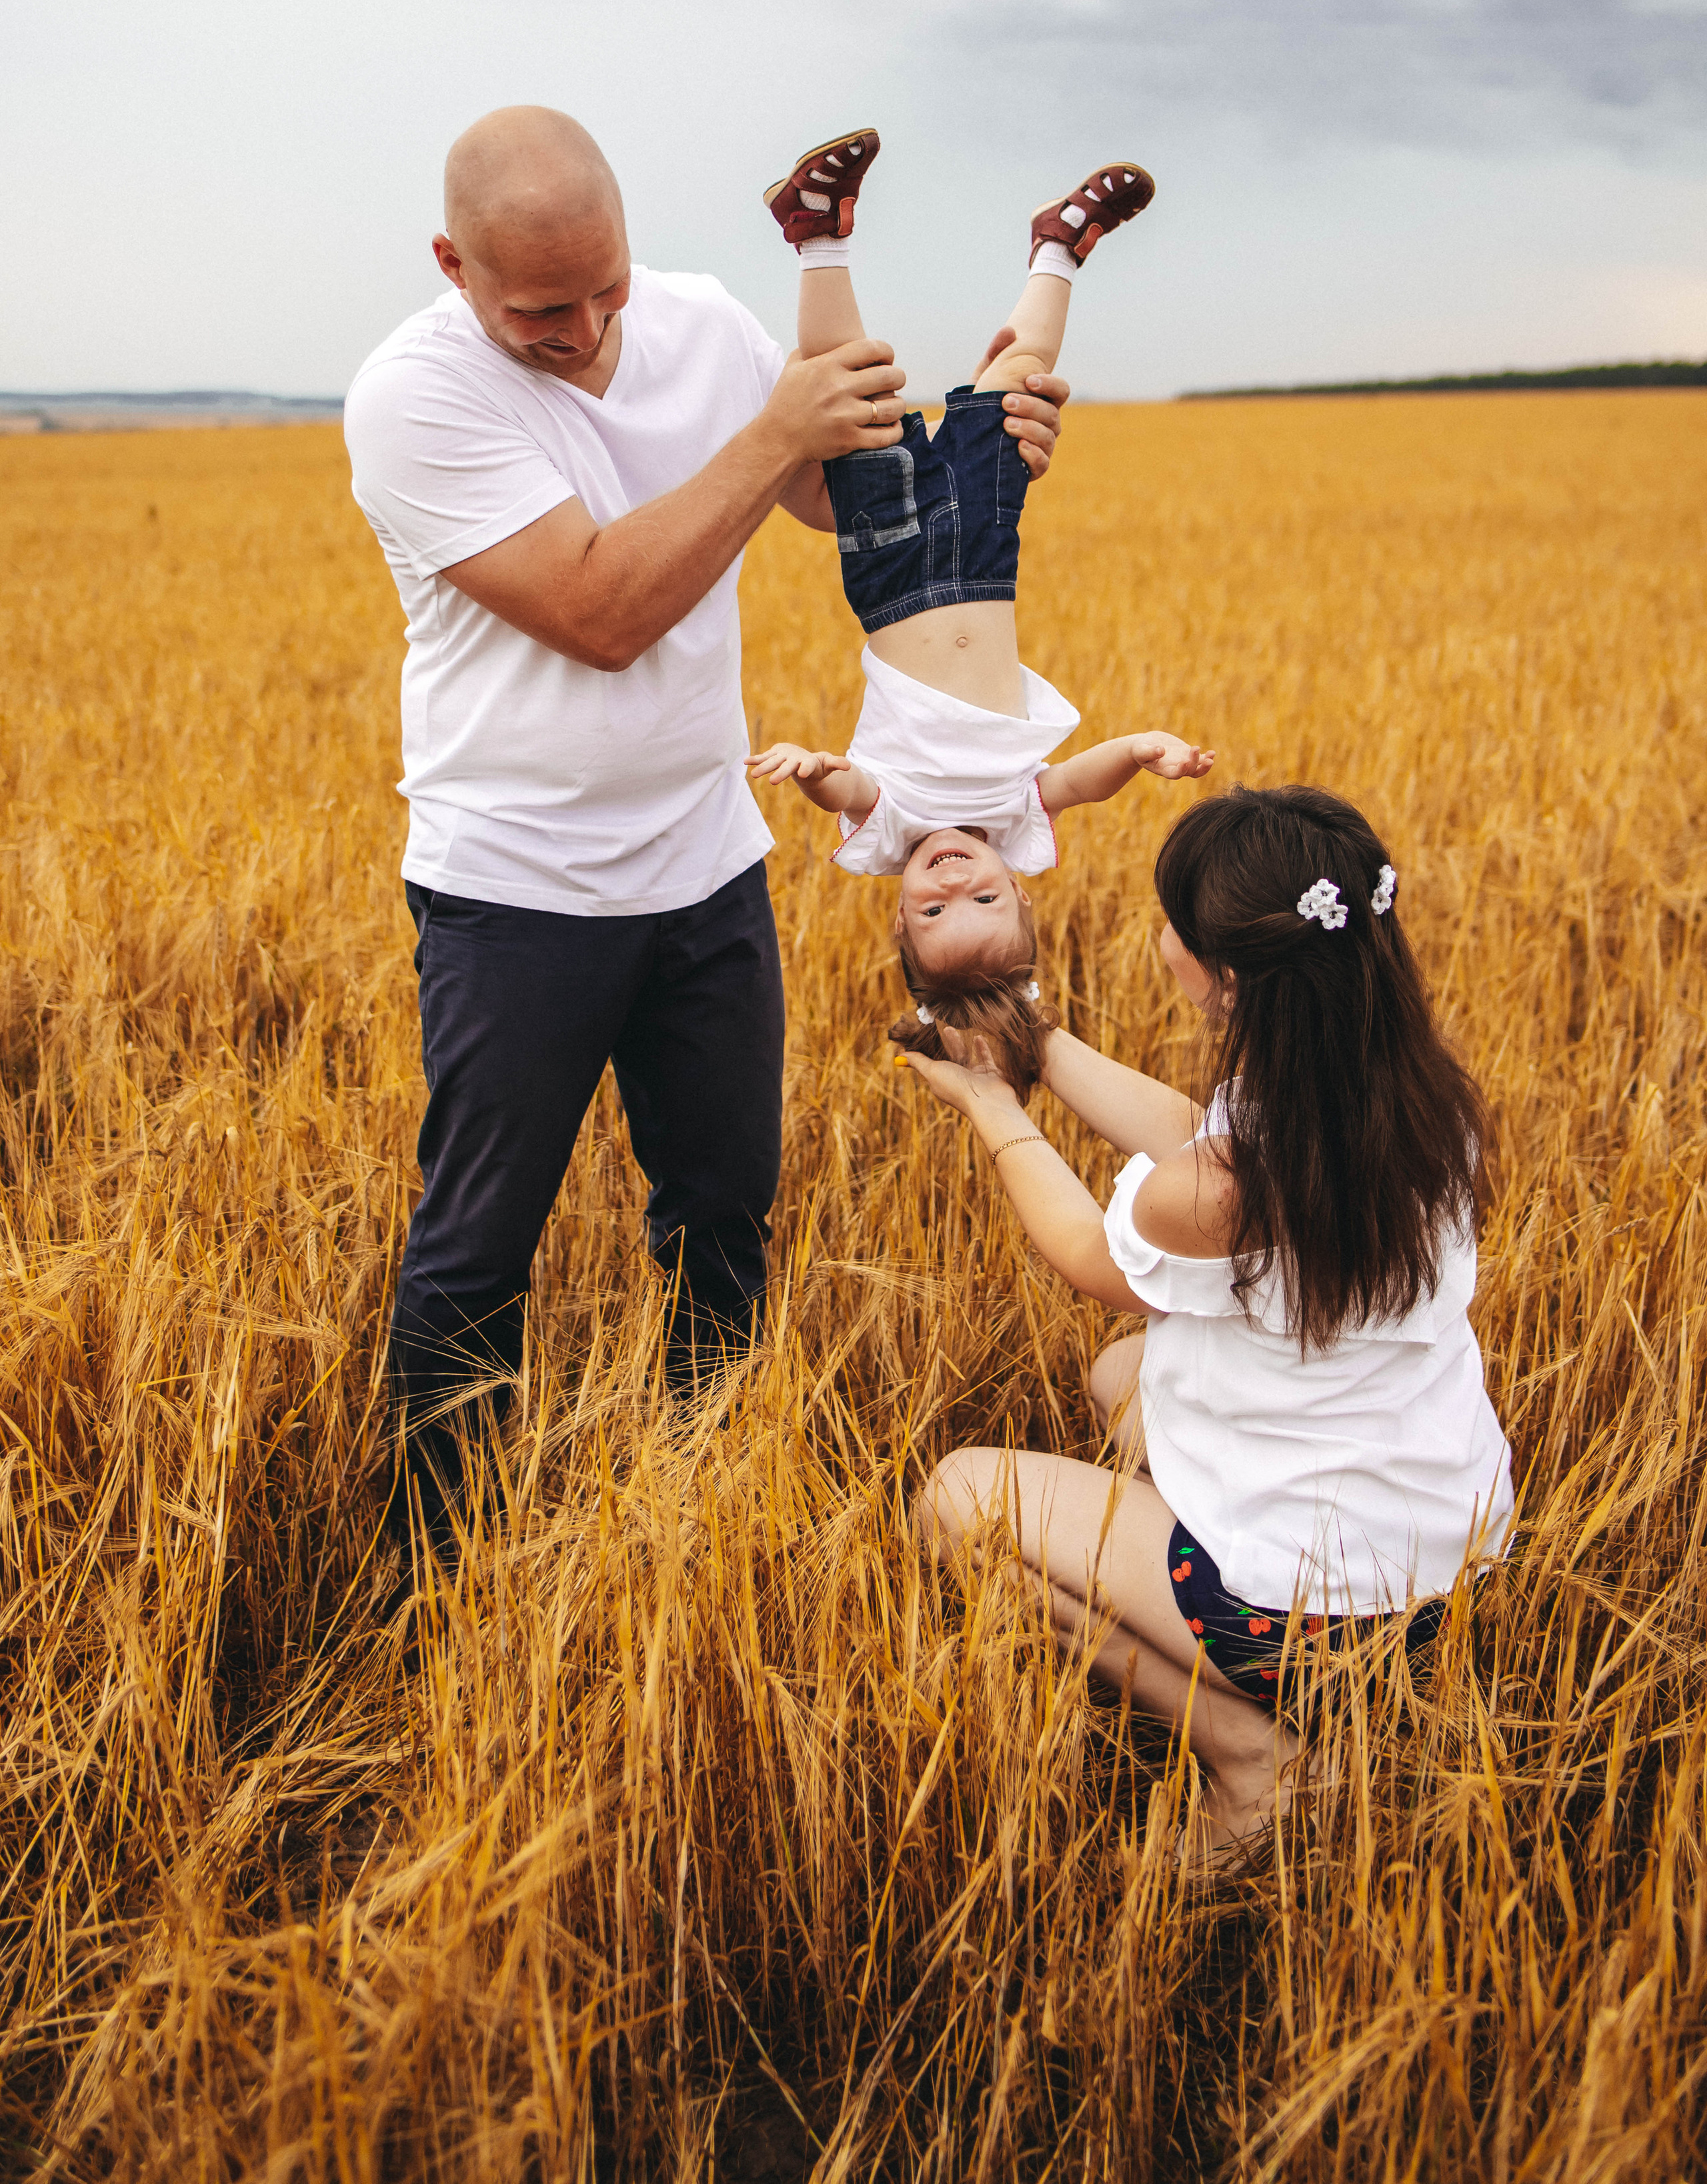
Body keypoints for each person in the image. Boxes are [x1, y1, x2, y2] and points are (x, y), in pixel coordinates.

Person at [343, 106, 1070, 1552]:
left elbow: (824, 492)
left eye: (605, 288)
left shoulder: (700, 320)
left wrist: (987, 443)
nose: (587, 330)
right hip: (515, 893)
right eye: (540, 309)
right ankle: (433, 1578)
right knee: (480, 1249)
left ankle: (701, 1519)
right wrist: (770, 432)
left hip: (705, 869)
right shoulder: (411, 397)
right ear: (454, 266)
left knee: (724, 1218)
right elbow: (603, 611)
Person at [904, 784, 1514, 1846]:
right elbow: (1201, 1133)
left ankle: (1253, 1758)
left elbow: (1097, 1254)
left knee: (957, 1502)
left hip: (1317, 1615)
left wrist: (996, 1110)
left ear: (1223, 979)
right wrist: (1036, 1043)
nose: (1161, 938)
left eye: (1175, 927)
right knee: (1120, 1376)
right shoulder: (1407, 1094)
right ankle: (1279, 1658)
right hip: (1446, 1563)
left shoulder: (1219, 1190)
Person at [746, 131, 1211, 1095]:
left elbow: (847, 792)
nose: (952, 879)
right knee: (1015, 390)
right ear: (1016, 884)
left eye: (930, 910)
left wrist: (811, 771)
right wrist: (1145, 750)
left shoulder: (895, 826)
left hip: (892, 578)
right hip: (984, 567)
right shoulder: (1013, 816)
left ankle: (816, 236)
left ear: (899, 909)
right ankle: (1060, 248)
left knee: (858, 394)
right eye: (984, 896)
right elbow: (1083, 781)